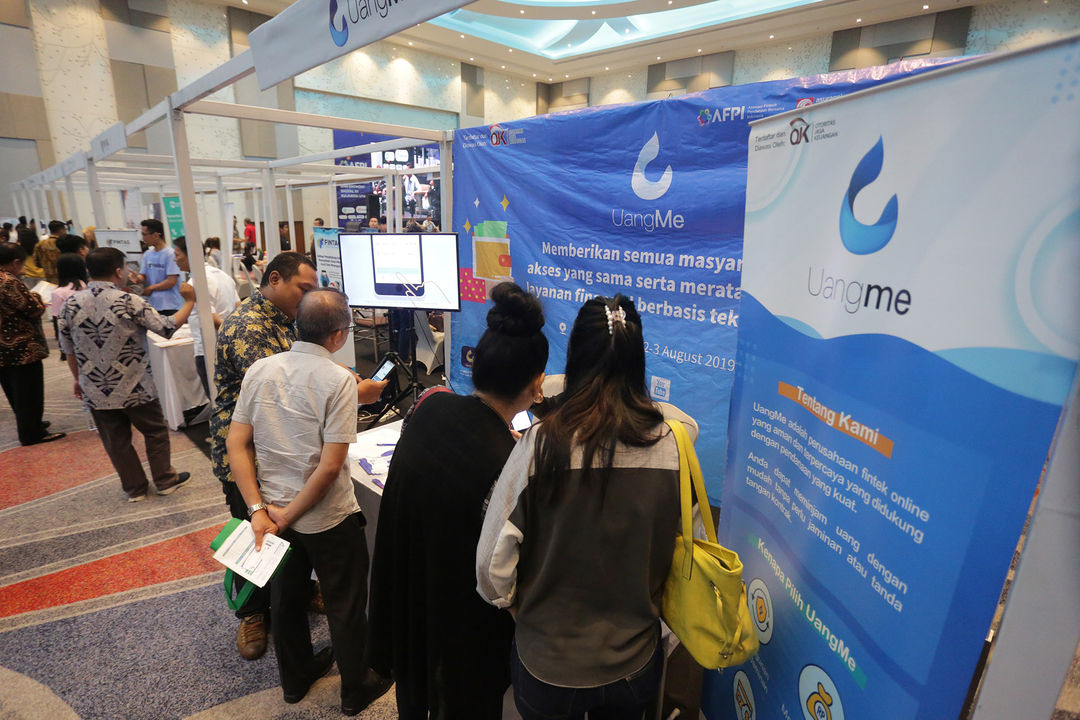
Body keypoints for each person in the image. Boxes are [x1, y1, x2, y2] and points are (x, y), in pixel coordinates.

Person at [476, 294, 681, 720]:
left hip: (549, 664)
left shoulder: (539, 446)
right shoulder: (674, 446)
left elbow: (490, 568)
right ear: (638, 359)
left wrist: (519, 609)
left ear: (574, 359)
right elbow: (681, 556)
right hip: (635, 660)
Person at [369, 282, 547, 720]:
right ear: (537, 385)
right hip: (465, 634)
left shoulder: (431, 407)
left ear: (477, 364)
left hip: (409, 604)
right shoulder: (511, 463)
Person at [210, 251, 386, 660]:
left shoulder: (286, 324)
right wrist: (348, 391)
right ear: (274, 279)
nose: (305, 296)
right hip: (256, 466)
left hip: (277, 465)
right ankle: (253, 614)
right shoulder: (247, 328)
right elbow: (285, 397)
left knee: (285, 569)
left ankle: (295, 656)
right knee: (258, 547)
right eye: (303, 288)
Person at [59, 248, 197, 501]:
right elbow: (165, 328)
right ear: (119, 271)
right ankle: (165, 480)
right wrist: (189, 302)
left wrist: (78, 379)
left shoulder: (70, 304)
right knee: (154, 431)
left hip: (96, 388)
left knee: (116, 441)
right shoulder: (127, 301)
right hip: (136, 385)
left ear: (89, 271)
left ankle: (135, 489)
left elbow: (67, 348)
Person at [0, 243, 64, 445]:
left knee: (14, 389)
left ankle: (30, 423)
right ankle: (31, 432)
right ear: (15, 262)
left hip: (3, 348)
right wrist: (37, 296)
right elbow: (33, 309)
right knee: (29, 390)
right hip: (22, 347)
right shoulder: (8, 281)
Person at [172, 236, 239, 398]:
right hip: (231, 348)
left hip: (210, 351)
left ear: (190, 254)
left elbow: (212, 320)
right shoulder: (223, 275)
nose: (175, 259)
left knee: (219, 402)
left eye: (177, 254)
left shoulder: (197, 282)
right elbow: (239, 307)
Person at [129, 219, 182, 315]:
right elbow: (143, 276)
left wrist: (151, 288)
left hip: (171, 305)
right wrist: (137, 278)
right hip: (153, 305)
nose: (143, 238)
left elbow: (171, 281)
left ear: (156, 235)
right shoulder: (147, 254)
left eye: (145, 234)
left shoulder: (170, 254)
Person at [50, 253, 88, 361]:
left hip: (70, 334)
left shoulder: (58, 292)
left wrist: (62, 346)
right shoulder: (83, 285)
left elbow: (57, 319)